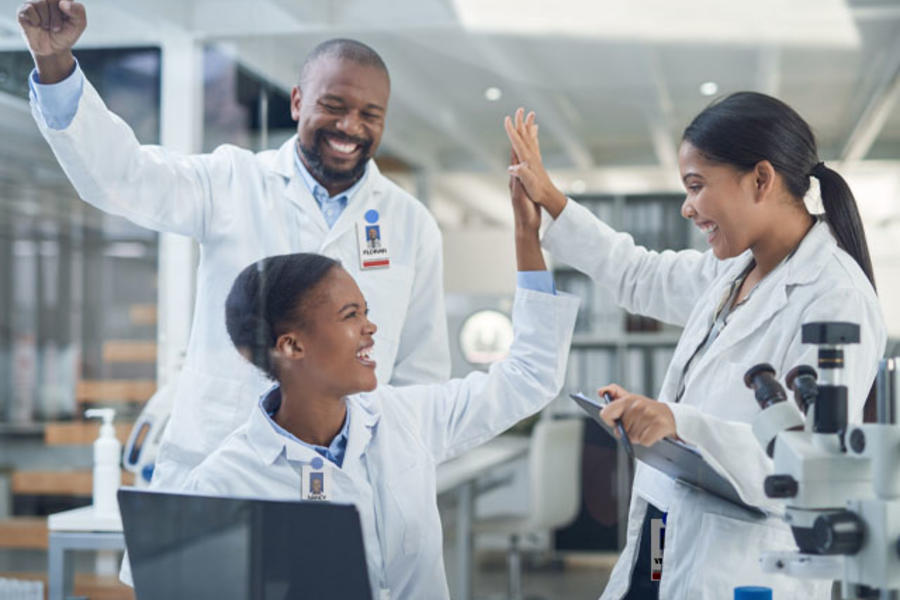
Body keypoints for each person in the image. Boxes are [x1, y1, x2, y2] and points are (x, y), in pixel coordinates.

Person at [18, 0, 450, 488]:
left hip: (349, 479)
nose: (351, 126)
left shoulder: (411, 225)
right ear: (296, 102)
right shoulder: (230, 181)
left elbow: (421, 375)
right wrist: (55, 68)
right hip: (221, 461)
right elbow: (123, 178)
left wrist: (400, 482)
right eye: (334, 106)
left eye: (370, 114)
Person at [504, 97, 886, 599]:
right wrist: (549, 198)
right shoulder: (734, 270)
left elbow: (811, 464)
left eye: (697, 186)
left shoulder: (835, 295)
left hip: (740, 568)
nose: (687, 207)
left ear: (761, 179)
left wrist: (678, 423)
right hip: (666, 539)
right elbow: (638, 274)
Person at [180, 170, 580, 599]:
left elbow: (530, 377)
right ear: (293, 345)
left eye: (366, 311)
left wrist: (526, 234)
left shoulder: (404, 417)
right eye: (351, 315)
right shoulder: (221, 484)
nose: (372, 327)